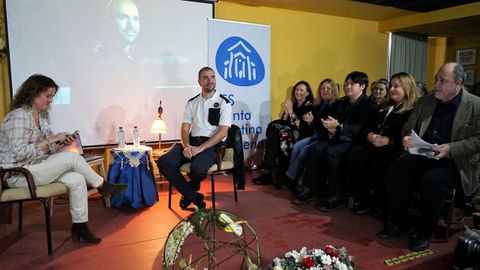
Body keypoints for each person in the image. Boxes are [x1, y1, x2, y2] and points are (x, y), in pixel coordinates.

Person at [0, 74, 128, 243]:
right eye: (47, 96)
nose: (50, 101)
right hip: (18, 173)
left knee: (76, 179)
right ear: (33, 93)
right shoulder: (18, 117)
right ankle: (102, 185)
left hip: (35, 167)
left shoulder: (42, 117)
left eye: (52, 97)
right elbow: (20, 153)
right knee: (71, 159)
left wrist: (60, 143)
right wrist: (51, 140)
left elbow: (47, 150)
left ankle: (80, 226)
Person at [377, 63, 480, 252]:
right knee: (394, 172)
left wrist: (451, 148)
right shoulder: (426, 101)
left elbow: (478, 140)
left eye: (443, 81)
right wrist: (407, 137)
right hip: (423, 152)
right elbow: (409, 126)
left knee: (432, 180)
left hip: (454, 160)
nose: (437, 84)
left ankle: (424, 231)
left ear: (459, 82)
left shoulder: (475, 105)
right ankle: (399, 221)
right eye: (436, 79)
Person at [295, 71, 377, 210]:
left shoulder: (369, 104)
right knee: (316, 148)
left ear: (362, 87)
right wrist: (330, 127)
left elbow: (363, 128)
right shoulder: (343, 102)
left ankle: (336, 196)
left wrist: (339, 127)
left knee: (332, 152)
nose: (348, 87)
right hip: (338, 137)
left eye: (352, 84)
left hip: (356, 140)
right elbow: (334, 121)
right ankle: (311, 188)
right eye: (346, 84)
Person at [156, 67, 232, 210]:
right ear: (199, 82)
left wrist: (200, 149)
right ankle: (193, 195)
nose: (210, 81)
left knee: (196, 170)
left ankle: (190, 191)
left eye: (212, 77)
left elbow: (222, 132)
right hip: (191, 143)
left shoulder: (224, 103)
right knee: (163, 162)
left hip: (210, 145)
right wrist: (186, 147)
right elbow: (185, 128)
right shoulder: (192, 102)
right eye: (205, 78)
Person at [347, 72, 419, 217]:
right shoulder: (386, 106)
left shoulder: (413, 110)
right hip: (377, 144)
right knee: (356, 155)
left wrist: (388, 140)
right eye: (391, 86)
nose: (391, 89)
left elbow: (411, 136)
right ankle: (364, 198)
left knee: (379, 162)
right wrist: (370, 135)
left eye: (396, 86)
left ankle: (382, 205)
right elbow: (369, 125)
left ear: (407, 88)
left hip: (398, 148)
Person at [252, 81, 314, 187]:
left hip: (303, 134)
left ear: (307, 93)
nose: (298, 92)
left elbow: (299, 125)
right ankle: (271, 172)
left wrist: (290, 112)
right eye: (297, 90)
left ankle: (272, 171)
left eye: (301, 90)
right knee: (274, 128)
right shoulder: (293, 104)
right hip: (289, 133)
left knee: (277, 132)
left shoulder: (309, 106)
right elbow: (284, 122)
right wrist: (286, 112)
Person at [285, 78, 339, 194]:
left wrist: (312, 121)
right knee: (296, 147)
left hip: (324, 137)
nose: (325, 90)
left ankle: (291, 177)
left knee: (305, 150)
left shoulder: (335, 105)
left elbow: (324, 125)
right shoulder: (318, 104)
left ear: (333, 90)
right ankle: (294, 177)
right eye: (323, 88)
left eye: (328, 88)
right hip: (314, 135)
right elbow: (308, 123)